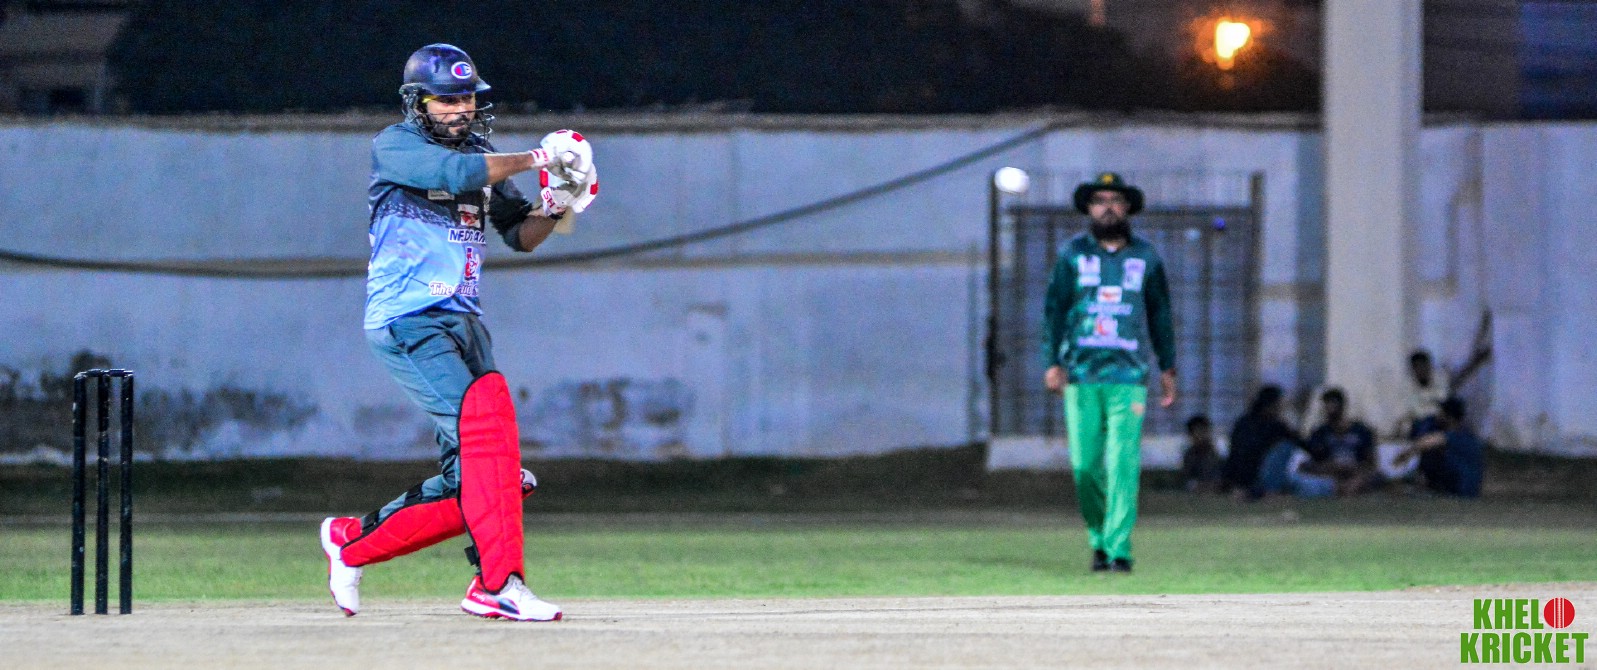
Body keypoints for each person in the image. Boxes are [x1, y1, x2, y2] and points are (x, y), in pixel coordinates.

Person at [317, 44, 596, 621]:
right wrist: (541, 156)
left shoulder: (483, 155)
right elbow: (455, 174)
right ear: (417, 102)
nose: (460, 108)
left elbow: (521, 236)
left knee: (490, 478)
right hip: (408, 318)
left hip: (465, 321)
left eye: (467, 97)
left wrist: (558, 200)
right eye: (446, 99)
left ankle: (349, 543)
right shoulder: (395, 145)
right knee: (489, 444)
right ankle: (497, 586)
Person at [1042, 172, 1177, 574]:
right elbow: (1054, 311)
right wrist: (1052, 361)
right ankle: (1099, 538)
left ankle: (1118, 550)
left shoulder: (1146, 256)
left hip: (1129, 375)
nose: (1108, 208)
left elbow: (1160, 313)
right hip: (1081, 373)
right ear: (1088, 208)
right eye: (1100, 200)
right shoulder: (1072, 254)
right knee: (1085, 468)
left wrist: (1167, 365)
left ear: (1128, 207)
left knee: (1122, 465)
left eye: (1115, 200)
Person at [1220, 385, 1307, 499]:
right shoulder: (1275, 425)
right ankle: (1269, 492)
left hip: (1238, 478)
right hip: (1258, 479)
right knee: (1286, 447)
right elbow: (1304, 444)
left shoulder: (1242, 421)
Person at [1397, 397, 1485, 498]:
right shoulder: (1466, 434)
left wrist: (1405, 454)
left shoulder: (1460, 435)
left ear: (1450, 417)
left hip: (1461, 490)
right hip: (1462, 489)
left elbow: (1429, 442)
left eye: (1441, 413)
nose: (1437, 415)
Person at [1303, 387, 1381, 495]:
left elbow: (1371, 461)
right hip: (1330, 473)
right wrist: (1332, 466)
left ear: (1342, 405)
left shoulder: (1361, 430)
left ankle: (1349, 489)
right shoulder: (1320, 433)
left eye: (1332, 404)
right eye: (1326, 405)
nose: (1328, 409)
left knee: (1372, 476)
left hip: (1356, 471)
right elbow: (1314, 460)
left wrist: (1355, 468)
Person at [1180, 415, 1222, 493]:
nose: (1202, 435)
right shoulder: (1190, 455)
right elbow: (1188, 480)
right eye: (1198, 432)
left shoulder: (1216, 454)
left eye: (1204, 431)